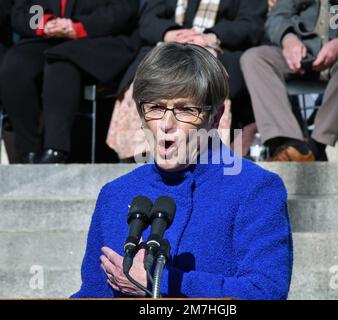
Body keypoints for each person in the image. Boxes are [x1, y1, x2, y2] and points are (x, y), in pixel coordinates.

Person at [72, 43, 293, 299]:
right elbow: (92, 293)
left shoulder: (255, 188)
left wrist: (163, 282)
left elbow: (266, 292)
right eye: (155, 108)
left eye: (185, 110)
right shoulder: (115, 194)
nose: (167, 124)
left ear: (216, 116)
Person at [106, 0, 267, 161]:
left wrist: (210, 36)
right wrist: (170, 33)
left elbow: (251, 25)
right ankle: (140, 154)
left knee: (211, 80)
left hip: (219, 48)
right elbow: (148, 19)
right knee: (147, 79)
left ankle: (201, 152)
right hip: (168, 45)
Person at [0, 0, 140, 164]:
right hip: (48, 37)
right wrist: (44, 23)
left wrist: (79, 27)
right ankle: (28, 152)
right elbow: (25, 11)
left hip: (99, 38)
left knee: (60, 61)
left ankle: (55, 150)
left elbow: (122, 10)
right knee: (16, 65)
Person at [240, 0, 338, 161]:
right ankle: (292, 144)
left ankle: (315, 147)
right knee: (255, 58)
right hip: (306, 54)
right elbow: (277, 15)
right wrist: (288, 39)